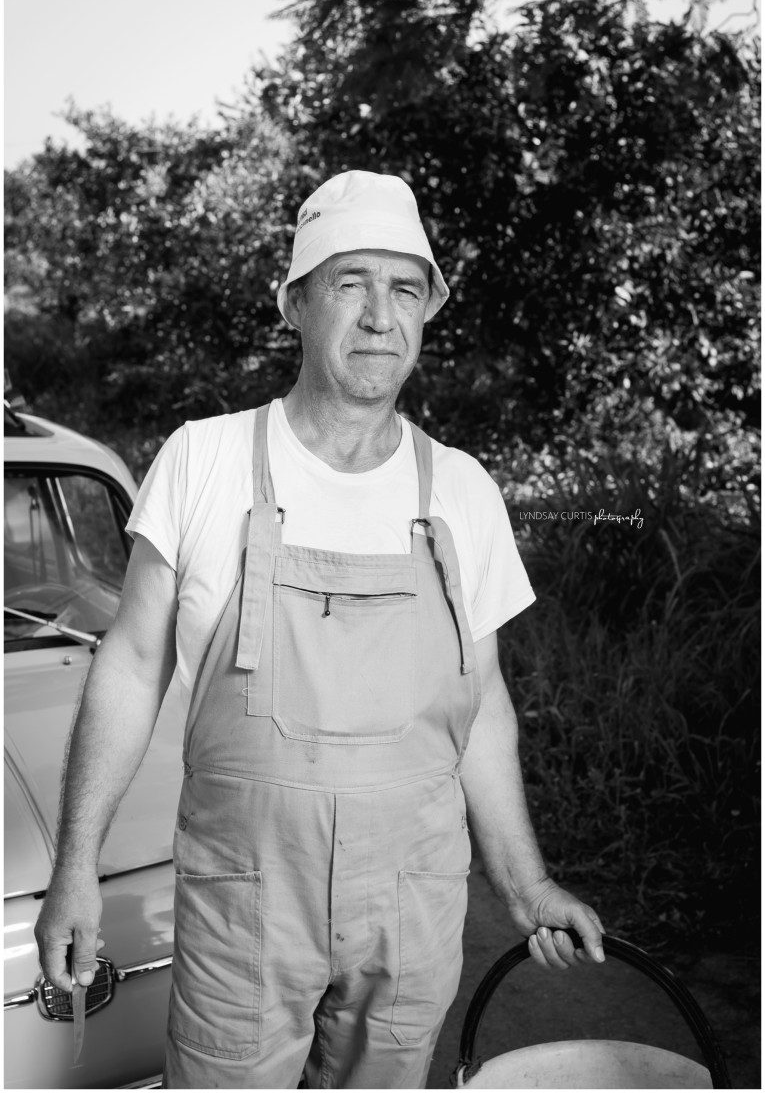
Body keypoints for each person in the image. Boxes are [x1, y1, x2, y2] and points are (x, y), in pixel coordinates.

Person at [35, 170, 605, 1089]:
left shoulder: (461, 488)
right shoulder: (205, 459)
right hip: (244, 909)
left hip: (410, 913)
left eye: (405, 288)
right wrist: (74, 870)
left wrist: (525, 883)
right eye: (351, 283)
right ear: (295, 304)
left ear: (425, 313)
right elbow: (130, 667)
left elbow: (482, 705)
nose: (381, 315)